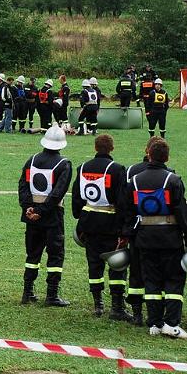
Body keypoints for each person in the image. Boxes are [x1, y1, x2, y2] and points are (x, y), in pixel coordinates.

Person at [124, 139, 187, 339]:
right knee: (174, 279)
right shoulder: (173, 180)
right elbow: (181, 212)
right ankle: (172, 324)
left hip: (144, 238)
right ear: (167, 157)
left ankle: (155, 323)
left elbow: (128, 212)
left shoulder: (134, 181)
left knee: (151, 280)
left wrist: (128, 234)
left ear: (149, 154)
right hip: (170, 238)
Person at [72, 135, 133, 321]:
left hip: (88, 224)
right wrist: (124, 229)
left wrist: (80, 217)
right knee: (117, 266)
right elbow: (122, 201)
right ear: (112, 148)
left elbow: (76, 197)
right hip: (111, 225)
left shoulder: (82, 167)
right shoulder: (117, 169)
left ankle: (98, 304)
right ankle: (117, 307)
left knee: (94, 264)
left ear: (95, 147)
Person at [18, 124, 73, 307]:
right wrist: (41, 211)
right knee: (55, 255)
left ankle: (27, 292)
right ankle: (52, 294)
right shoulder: (64, 164)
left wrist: (29, 208)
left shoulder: (31, 160)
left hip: (31, 214)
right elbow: (58, 193)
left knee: (32, 254)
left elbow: (23, 186)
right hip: (52, 215)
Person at [125, 136, 170, 326]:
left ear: (147, 151)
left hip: (137, 229)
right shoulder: (168, 174)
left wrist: (125, 230)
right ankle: (159, 313)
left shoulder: (131, 171)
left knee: (136, 271)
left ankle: (137, 313)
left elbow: (124, 203)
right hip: (163, 230)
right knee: (160, 272)